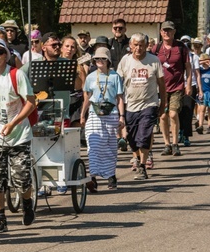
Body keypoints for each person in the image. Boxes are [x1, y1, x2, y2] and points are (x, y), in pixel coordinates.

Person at [0, 37, 34, 233]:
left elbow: (30, 102)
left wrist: (13, 123)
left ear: (6, 55)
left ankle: (27, 203)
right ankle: (0, 218)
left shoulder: (16, 75)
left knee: (22, 177)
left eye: (0, 52)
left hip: (18, 133)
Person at [117, 33, 165, 181]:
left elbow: (162, 85)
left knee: (144, 135)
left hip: (149, 103)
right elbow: (118, 82)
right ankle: (137, 158)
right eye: (135, 45)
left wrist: (163, 103)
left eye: (141, 45)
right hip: (130, 105)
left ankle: (143, 166)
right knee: (132, 139)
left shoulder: (154, 60)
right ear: (131, 46)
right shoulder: (125, 61)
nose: (138, 48)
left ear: (146, 46)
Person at [80, 47, 125, 190]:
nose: (100, 61)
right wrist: (82, 114)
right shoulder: (90, 77)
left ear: (108, 61)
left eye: (103, 59)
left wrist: (122, 116)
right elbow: (87, 97)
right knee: (93, 144)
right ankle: (92, 176)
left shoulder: (115, 76)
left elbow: (119, 98)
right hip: (94, 113)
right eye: (97, 59)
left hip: (111, 113)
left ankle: (110, 175)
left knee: (110, 146)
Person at [153, 21, 191, 156]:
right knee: (162, 116)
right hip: (160, 87)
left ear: (174, 32)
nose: (166, 33)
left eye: (169, 30)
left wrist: (188, 84)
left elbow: (188, 67)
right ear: (161, 32)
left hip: (177, 86)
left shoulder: (181, 47)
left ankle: (175, 144)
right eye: (164, 30)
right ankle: (166, 144)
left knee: (173, 114)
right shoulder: (156, 49)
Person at [196, 54, 210, 134]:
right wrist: (203, 61)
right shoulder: (200, 70)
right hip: (203, 91)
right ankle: (200, 125)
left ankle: (209, 126)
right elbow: (196, 63)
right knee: (202, 109)